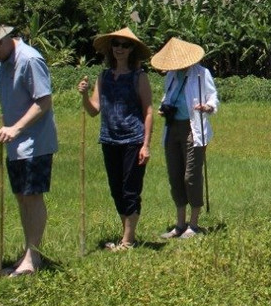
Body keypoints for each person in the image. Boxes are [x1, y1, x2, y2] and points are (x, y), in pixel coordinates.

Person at [0, 18, 58, 277]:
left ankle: (33, 257)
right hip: (14, 143)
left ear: (0, 42)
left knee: (32, 196)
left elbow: (44, 101)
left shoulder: (29, 59)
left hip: (35, 142)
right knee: (21, 197)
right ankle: (29, 252)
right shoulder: (1, 62)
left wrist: (16, 128)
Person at [78, 27, 154, 250]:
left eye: (125, 45)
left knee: (131, 190)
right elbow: (94, 110)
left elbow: (149, 111)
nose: (120, 48)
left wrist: (146, 145)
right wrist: (84, 95)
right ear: (111, 48)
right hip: (109, 139)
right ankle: (127, 235)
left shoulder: (139, 77)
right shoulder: (103, 76)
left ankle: (128, 241)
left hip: (133, 140)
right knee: (116, 189)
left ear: (132, 50)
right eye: (116, 44)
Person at [150, 37, 218, 237]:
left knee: (191, 176)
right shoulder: (171, 76)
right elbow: (168, 96)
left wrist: (208, 107)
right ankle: (180, 224)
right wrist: (164, 107)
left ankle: (193, 225)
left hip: (193, 128)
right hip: (172, 128)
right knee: (175, 175)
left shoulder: (201, 74)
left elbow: (213, 96)